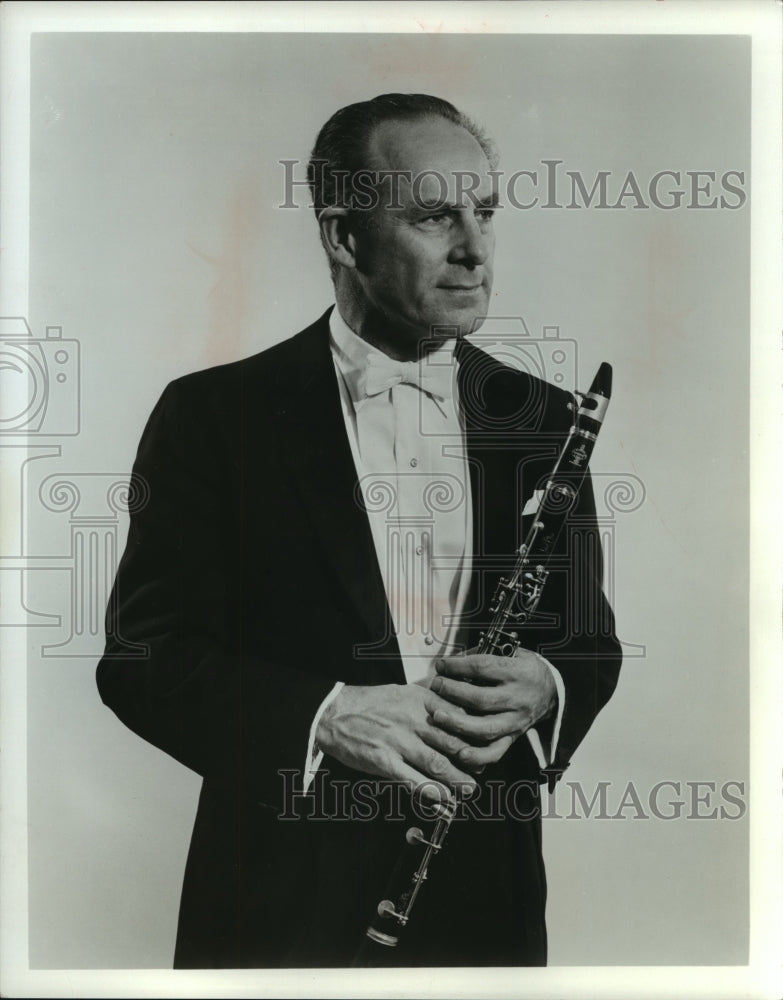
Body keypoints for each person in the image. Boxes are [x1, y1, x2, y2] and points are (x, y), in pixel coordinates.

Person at [97, 93, 622, 969]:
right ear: (343, 237)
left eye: (484, 212)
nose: (473, 249)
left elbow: (587, 645)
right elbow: (144, 660)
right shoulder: (212, 417)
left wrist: (545, 688)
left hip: (485, 903)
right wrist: (326, 718)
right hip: (277, 908)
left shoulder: (543, 421)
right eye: (432, 216)